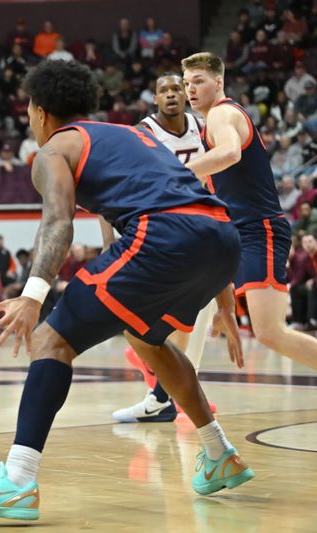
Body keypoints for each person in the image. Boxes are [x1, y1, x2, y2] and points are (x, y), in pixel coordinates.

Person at [0, 60, 253, 521]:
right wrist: (224, 298)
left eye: (28, 109)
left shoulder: (53, 150)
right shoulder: (131, 134)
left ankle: (18, 481)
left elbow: (58, 222)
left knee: (50, 339)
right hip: (222, 238)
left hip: (164, 235)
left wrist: (33, 294)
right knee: (148, 339)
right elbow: (190, 199)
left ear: (39, 111)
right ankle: (219, 453)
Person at [183, 52, 317, 370]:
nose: (190, 89)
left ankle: (163, 384)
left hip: (259, 229)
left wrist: (178, 171)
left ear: (219, 82)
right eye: (187, 82)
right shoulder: (212, 122)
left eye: (198, 81)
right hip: (237, 232)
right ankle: (164, 387)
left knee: (270, 333)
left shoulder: (221, 114)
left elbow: (229, 152)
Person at [112, 72, 217, 422]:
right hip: (159, 231)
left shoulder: (204, 127)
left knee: (201, 313)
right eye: (163, 90)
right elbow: (117, 185)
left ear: (186, 94)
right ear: (154, 99)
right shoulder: (142, 133)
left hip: (203, 227)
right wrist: (107, 241)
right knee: (159, 316)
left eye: (177, 88)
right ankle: (159, 381)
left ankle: (164, 395)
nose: (171, 94)